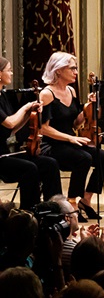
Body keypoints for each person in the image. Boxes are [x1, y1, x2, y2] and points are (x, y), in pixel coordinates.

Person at [38, 52, 104, 222]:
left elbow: (76, 124)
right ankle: (72, 203)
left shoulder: (71, 90)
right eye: (72, 68)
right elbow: (44, 129)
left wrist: (88, 108)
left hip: (71, 141)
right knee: (83, 158)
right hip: (52, 145)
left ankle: (86, 199)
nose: (76, 72)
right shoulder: (47, 94)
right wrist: (70, 138)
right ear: (58, 70)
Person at [0, 57, 61, 209]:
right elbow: (10, 122)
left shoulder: (2, 95)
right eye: (9, 70)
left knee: (49, 163)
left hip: (4, 152)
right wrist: (26, 107)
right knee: (29, 168)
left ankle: (52, 209)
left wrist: (30, 114)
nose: (12, 73)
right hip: (0, 156)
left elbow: (12, 129)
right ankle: (30, 213)